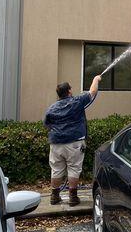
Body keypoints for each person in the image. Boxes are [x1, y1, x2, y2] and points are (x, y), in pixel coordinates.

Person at [43, 75, 101, 206]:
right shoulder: (77, 101)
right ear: (69, 91)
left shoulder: (52, 108)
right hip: (74, 142)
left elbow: (47, 124)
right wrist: (96, 79)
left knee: (56, 169)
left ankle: (54, 196)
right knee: (74, 169)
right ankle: (73, 198)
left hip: (56, 143)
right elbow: (92, 92)